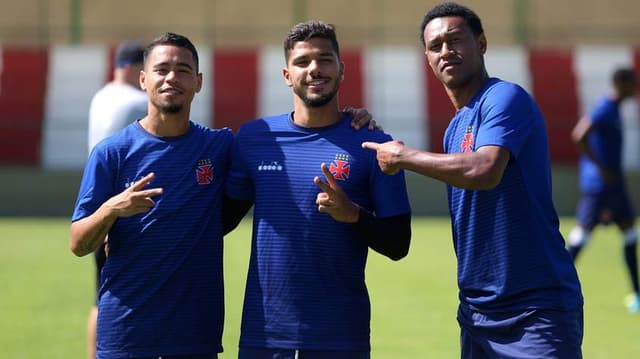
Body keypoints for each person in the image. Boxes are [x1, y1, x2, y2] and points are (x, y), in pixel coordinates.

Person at [362, 3, 584, 357]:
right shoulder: (454, 128)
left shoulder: (505, 98)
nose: (446, 51)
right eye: (435, 46)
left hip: (535, 309)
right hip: (477, 313)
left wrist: (404, 157)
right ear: (427, 58)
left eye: (455, 39)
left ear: (481, 43)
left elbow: (485, 170)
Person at [224, 20, 412, 359]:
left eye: (325, 59)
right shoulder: (254, 138)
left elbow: (399, 243)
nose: (314, 69)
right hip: (264, 335)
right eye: (302, 62)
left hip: (340, 337)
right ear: (286, 75)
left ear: (341, 69)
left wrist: (353, 215)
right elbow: (219, 220)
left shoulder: (374, 145)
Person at [71, 32, 232, 359]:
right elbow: (78, 243)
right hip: (126, 336)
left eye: (183, 70)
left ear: (198, 82)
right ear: (143, 79)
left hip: (195, 338)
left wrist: (353, 117)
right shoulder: (110, 154)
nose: (172, 77)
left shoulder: (220, 147)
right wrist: (111, 210)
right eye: (162, 69)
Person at [84, 39, 147, 359]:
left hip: (97, 201)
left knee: (100, 297)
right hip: (124, 209)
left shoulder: (101, 96)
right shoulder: (137, 101)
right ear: (136, 68)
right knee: (129, 297)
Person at [567, 67, 639, 313]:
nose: (635, 88)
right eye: (632, 83)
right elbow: (579, 135)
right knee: (582, 235)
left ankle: (637, 294)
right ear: (621, 83)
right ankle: (553, 285)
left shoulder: (616, 109)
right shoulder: (605, 108)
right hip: (599, 186)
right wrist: (599, 167)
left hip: (615, 185)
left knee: (631, 234)